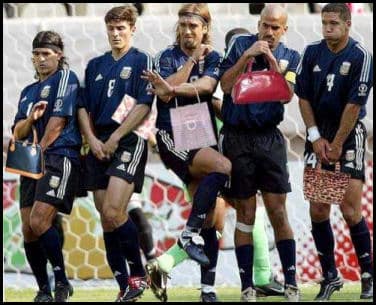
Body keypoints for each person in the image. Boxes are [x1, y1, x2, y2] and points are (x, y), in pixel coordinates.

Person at [142, 3, 232, 302]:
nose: (188, 30)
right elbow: (168, 89)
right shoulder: (164, 56)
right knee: (223, 167)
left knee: (210, 221)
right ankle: (186, 235)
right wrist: (191, 62)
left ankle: (207, 290)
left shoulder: (217, 57)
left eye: (194, 26)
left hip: (202, 134)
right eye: (184, 25)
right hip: (172, 134)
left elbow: (206, 87)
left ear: (205, 28)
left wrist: (171, 88)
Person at [219, 4, 301, 301]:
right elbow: (226, 86)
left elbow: (287, 94)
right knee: (245, 214)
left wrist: (270, 60)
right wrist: (246, 56)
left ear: (284, 30)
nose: (268, 31)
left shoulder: (291, 57)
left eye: (275, 27)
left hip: (269, 140)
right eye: (265, 25)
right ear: (259, 24)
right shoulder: (240, 45)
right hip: (238, 139)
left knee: (279, 212)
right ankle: (247, 288)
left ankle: (291, 283)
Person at [295, 3, 373, 301]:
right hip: (319, 135)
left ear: (347, 24)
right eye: (324, 23)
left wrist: (338, 143)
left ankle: (368, 276)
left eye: (333, 24)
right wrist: (315, 137)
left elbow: (354, 105)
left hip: (348, 136)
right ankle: (330, 276)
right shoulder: (313, 52)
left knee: (350, 209)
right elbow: (302, 96)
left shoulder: (360, 56)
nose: (327, 28)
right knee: (318, 208)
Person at [77, 5, 154, 302]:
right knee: (106, 218)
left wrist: (116, 138)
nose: (115, 33)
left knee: (113, 211)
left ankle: (139, 274)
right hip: (97, 144)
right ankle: (125, 286)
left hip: (128, 140)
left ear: (132, 29)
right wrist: (93, 140)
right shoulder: (95, 65)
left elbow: (144, 105)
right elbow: (82, 106)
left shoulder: (141, 60)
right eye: (111, 28)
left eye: (121, 28)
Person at [11, 30, 82, 302]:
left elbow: (58, 123)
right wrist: (30, 118)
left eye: (46, 54)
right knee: (29, 228)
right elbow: (18, 131)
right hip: (29, 160)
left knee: (40, 220)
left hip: (57, 155)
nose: (40, 59)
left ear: (59, 55)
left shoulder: (65, 78)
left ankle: (62, 281)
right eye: (37, 54)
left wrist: (39, 148)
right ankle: (43, 290)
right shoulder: (27, 92)